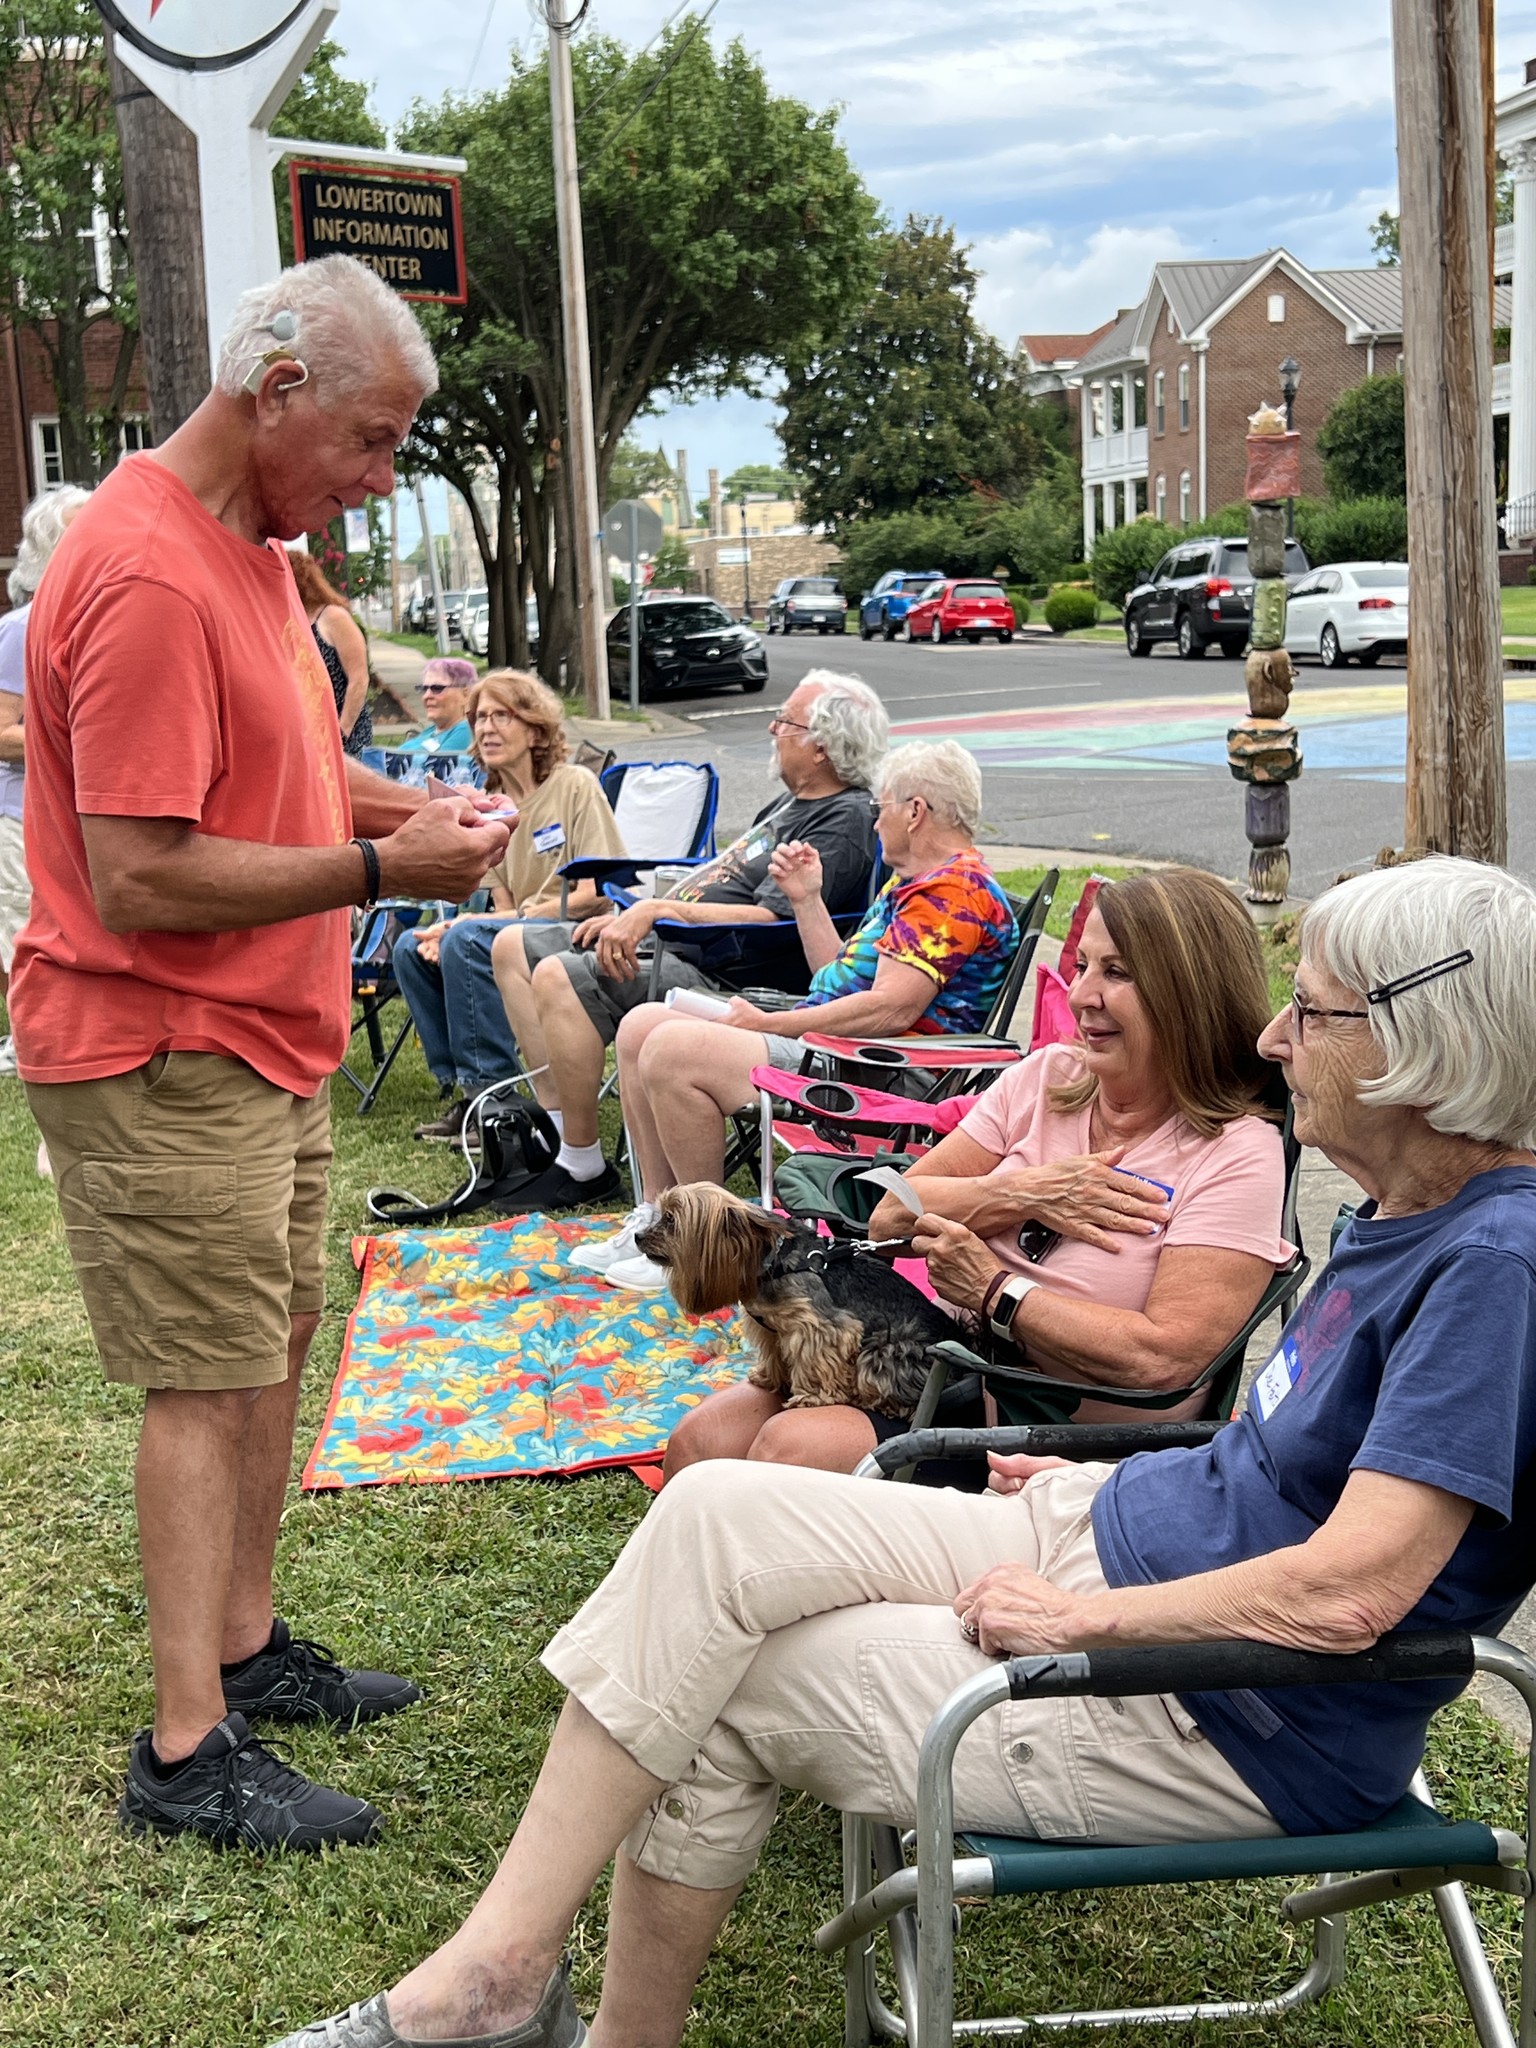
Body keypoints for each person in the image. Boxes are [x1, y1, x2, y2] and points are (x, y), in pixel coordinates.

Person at [269, 852, 1536, 2048]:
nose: (1271, 1039)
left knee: (714, 1683)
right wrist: (1115, 1476)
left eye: (1306, 1014)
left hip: (1225, 1703)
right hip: (1108, 1526)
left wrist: (1088, 1621)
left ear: (1422, 1046)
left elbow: (1355, 1586)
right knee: (716, 1505)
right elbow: (1264, 1446)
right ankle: (498, 1976)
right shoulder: (1408, 1211)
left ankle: (525, 2002)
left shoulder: (1494, 1267)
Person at [11, 254, 511, 1853]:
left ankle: (241, 1641)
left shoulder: (253, 554)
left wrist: (420, 817)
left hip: (263, 1040)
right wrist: (386, 872)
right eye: (370, 442)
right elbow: (146, 870)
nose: (377, 483)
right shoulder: (153, 569)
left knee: (267, 1344)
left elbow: (290, 770)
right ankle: (184, 1750)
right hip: (165, 1044)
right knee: (206, 1375)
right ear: (274, 390)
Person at [665, 866, 1289, 1470]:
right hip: (947, 1370)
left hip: (1056, 1435)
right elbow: (892, 1213)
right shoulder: (1048, 1079)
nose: (1080, 996)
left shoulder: (1235, 1154)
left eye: (1117, 973)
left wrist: (998, 1292)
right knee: (699, 1441)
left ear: (1190, 992)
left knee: (790, 1449)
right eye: (1081, 967)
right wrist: (1026, 1192)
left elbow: (1165, 1360)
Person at [585, 741, 1020, 1293]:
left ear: (915, 811)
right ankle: (657, 1221)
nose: (875, 818)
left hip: (881, 1072)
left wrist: (768, 1025)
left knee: (674, 1052)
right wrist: (807, 899)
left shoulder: (950, 892)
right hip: (844, 1047)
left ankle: (705, 1250)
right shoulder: (917, 883)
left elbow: (892, 1009)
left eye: (880, 806)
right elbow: (834, 977)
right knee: (640, 1024)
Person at [490, 670, 888, 1212]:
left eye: (786, 721)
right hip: (678, 938)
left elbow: (769, 916)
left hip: (731, 971)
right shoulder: (784, 806)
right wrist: (639, 910)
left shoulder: (843, 818)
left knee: (562, 973)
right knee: (512, 946)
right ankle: (558, 1135)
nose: (773, 728)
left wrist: (655, 912)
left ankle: (582, 1165)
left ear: (822, 747)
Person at [396, 670, 628, 1143]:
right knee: (409, 947)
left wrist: (475, 924)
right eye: (480, 718)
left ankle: (496, 1096)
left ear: (535, 728)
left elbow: (595, 894)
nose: (486, 728)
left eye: (501, 715)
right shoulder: (494, 809)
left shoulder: (574, 785)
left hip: (582, 930)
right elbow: (504, 906)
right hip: (521, 935)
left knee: (463, 935)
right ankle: (467, 1091)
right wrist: (470, 923)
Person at [0, 485, 92, 1081]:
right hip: (18, 810)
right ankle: (26, 1040)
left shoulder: (96, 616)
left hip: (79, 811)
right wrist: (76, 739)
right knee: (17, 925)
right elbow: (3, 732)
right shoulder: (22, 627)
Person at [288, 547, 373, 755]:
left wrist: (342, 732)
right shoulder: (290, 622)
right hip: (308, 739)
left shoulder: (333, 617)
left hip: (344, 736)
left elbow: (359, 679)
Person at [395, 655, 476, 757]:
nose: (427, 696)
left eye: (437, 688)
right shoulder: (433, 730)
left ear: (465, 694)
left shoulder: (465, 732)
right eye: (424, 689)